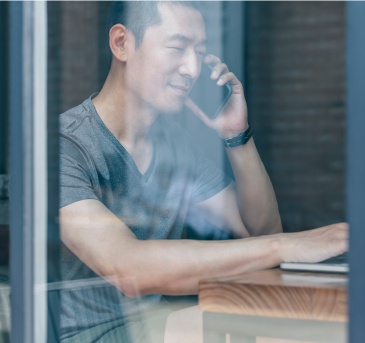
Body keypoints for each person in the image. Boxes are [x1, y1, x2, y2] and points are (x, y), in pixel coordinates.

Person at [58, 1, 348, 342]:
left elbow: (260, 231)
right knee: (275, 331)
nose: (192, 68)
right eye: (178, 47)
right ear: (122, 43)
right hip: (90, 333)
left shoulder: (174, 145)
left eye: (200, 52)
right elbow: (129, 267)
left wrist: (236, 136)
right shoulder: (65, 145)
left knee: (305, 325)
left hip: (155, 319)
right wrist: (286, 246)